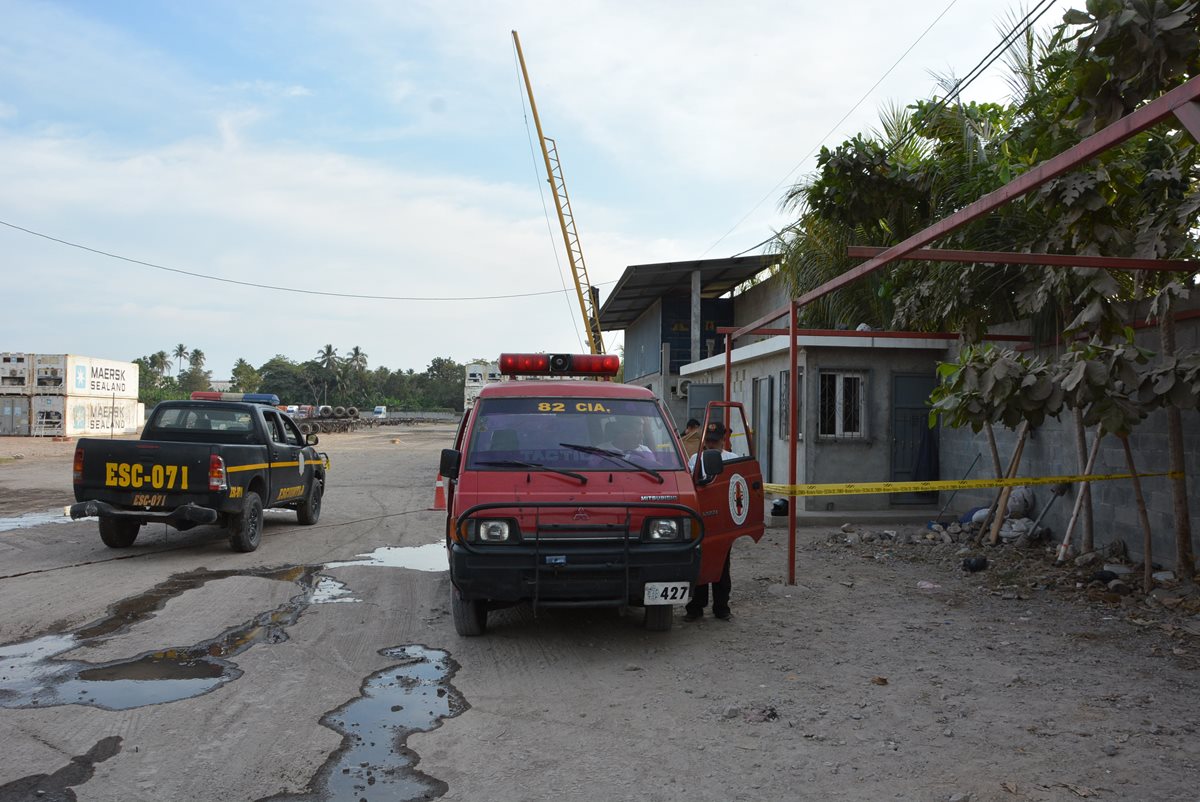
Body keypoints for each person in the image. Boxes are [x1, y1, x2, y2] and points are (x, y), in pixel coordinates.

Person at [686, 421, 741, 622]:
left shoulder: (733, 459)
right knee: (699, 563)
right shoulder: (695, 459)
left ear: (723, 440)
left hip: (723, 519)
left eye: (715, 441)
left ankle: (721, 607)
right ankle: (695, 607)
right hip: (702, 517)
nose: (711, 445)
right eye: (708, 441)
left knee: (722, 565)